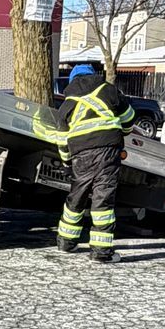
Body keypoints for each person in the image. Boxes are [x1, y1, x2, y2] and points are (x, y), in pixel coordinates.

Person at [32, 64, 136, 264]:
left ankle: (65, 242)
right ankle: (100, 252)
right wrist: (122, 130)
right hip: (107, 150)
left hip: (80, 154)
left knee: (76, 196)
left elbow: (62, 140)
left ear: (73, 80)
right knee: (102, 197)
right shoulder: (108, 90)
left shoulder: (68, 104)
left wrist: (66, 161)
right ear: (92, 76)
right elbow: (129, 119)